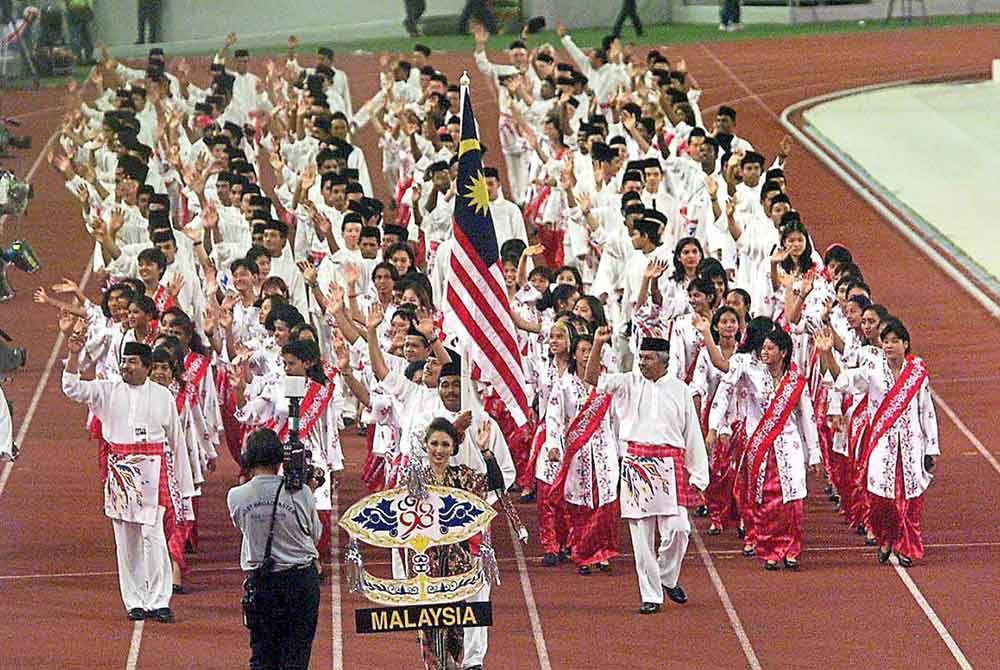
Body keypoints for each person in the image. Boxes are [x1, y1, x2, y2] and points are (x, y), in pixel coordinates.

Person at [61, 329, 194, 623]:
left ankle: (159, 600)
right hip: (121, 472)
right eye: (124, 361)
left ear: (147, 367)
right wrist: (72, 354)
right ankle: (134, 600)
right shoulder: (106, 391)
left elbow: (177, 442)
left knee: (154, 536)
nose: (126, 367)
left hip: (153, 471)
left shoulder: (163, 396)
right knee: (127, 540)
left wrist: (184, 487)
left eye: (133, 362)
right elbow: (71, 387)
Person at [584, 327, 709, 614]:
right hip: (636, 463)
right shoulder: (628, 382)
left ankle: (666, 575)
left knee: (679, 529)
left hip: (669, 464)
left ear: (664, 361)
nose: (642, 362)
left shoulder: (681, 390)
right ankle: (651, 595)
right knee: (641, 538)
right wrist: (597, 343)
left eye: (648, 358)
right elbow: (592, 379)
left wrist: (699, 475)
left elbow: (692, 434)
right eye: (640, 357)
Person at [818, 319, 939, 567]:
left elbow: (926, 410)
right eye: (886, 341)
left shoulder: (917, 373)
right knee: (881, 499)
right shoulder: (872, 370)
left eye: (895, 341)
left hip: (911, 445)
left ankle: (907, 547)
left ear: (905, 344)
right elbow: (843, 381)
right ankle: (885, 537)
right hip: (882, 445)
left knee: (911, 499)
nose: (890, 345)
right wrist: (827, 352)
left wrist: (931, 447)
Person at [227, 428, 322, 670]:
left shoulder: (236, 496)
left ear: (247, 459)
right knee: (297, 655)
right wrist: (308, 490)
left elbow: (243, 526)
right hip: (300, 581)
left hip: (262, 583)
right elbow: (315, 533)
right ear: (281, 458)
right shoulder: (301, 492)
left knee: (262, 655)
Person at [417, 417, 504, 670]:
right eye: (434, 443)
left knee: (456, 640)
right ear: (425, 445)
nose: (439, 449)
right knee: (433, 647)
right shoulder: (414, 480)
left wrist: (486, 451)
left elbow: (495, 485)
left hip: (458, 571)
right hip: (426, 571)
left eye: (445, 444)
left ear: (453, 448)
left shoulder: (463, 477)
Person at [64, 0, 95, 65]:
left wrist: (88, 5)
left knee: (86, 35)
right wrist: (69, 4)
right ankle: (77, 58)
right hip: (72, 10)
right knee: (75, 36)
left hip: (84, 9)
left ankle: (89, 57)